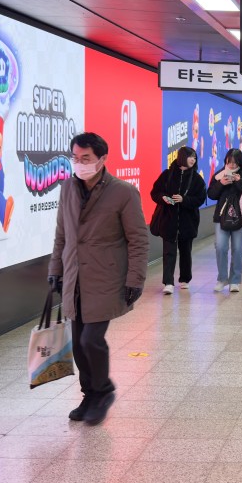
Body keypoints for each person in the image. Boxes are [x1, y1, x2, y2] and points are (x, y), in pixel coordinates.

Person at [48, 132, 149, 425]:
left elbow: (138, 239)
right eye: (75, 158)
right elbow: (61, 235)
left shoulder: (123, 192)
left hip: (106, 277)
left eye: (86, 158)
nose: (79, 163)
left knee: (91, 340)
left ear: (102, 159)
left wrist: (135, 279)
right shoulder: (68, 188)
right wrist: (55, 270)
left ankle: (103, 391)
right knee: (78, 345)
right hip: (74, 277)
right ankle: (89, 394)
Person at [149, 146, 206, 295]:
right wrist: (164, 198)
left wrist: (184, 199)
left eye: (194, 157)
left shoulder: (197, 178)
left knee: (186, 252)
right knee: (169, 252)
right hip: (168, 221)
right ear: (182, 157)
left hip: (188, 223)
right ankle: (168, 282)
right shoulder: (167, 174)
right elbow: (155, 192)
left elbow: (200, 198)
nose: (193, 160)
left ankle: (185, 279)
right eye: (190, 156)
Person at [207, 148, 242, 293]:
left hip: (240, 218)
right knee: (220, 247)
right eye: (229, 162)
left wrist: (239, 182)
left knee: (238, 249)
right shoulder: (219, 174)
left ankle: (235, 280)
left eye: (235, 162)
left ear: (240, 162)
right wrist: (221, 183)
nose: (232, 165)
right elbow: (211, 194)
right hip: (221, 217)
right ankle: (222, 278)